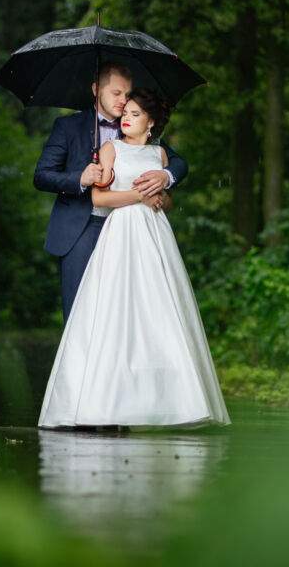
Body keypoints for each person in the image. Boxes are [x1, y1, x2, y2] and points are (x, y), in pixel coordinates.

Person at [38, 88, 231, 429]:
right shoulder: (110, 148)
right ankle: (99, 400)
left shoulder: (159, 155)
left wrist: (160, 194)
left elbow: (167, 201)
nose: (125, 117)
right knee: (114, 312)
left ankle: (161, 399)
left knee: (157, 312)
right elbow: (100, 197)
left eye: (135, 113)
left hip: (153, 236)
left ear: (151, 122)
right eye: (124, 110)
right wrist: (140, 196)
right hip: (121, 233)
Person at [33, 61, 188, 323]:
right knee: (80, 317)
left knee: (129, 316)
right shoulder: (68, 127)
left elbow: (178, 163)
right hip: (82, 229)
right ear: (96, 89)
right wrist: (79, 179)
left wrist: (165, 176)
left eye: (127, 93)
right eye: (116, 93)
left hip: (132, 232)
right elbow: (42, 176)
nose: (123, 100)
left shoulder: (135, 125)